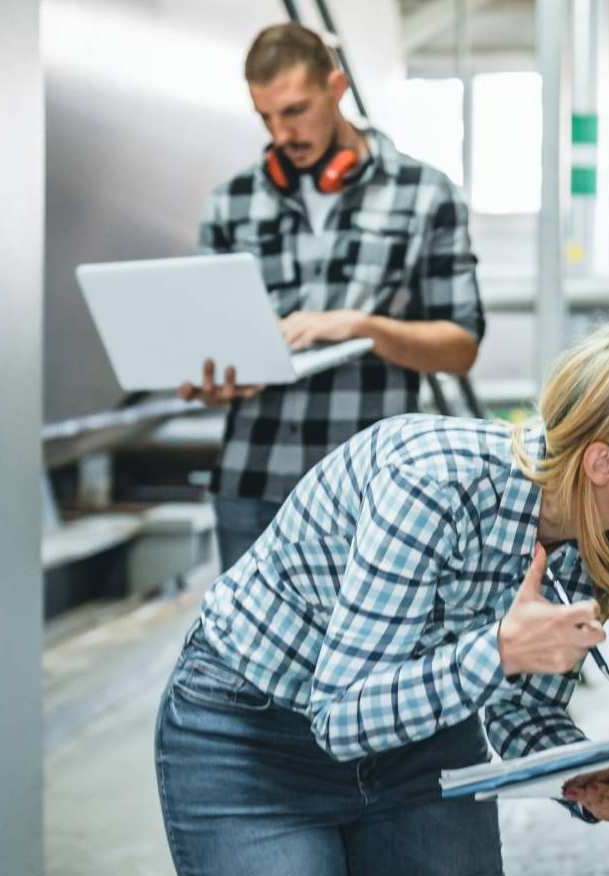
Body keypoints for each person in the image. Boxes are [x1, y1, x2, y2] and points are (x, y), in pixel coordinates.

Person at [155, 324, 609, 876]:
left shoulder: (594, 537)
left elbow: (522, 707)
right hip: (255, 739)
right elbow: (339, 718)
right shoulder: (433, 482)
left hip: (417, 739)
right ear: (603, 461)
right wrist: (499, 651)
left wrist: (579, 773)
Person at [178, 23, 484, 571]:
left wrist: (361, 326)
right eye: (265, 118)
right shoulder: (233, 202)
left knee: (369, 659)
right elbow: (210, 348)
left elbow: (459, 347)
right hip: (252, 488)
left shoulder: (424, 195)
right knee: (249, 661)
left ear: (336, 87)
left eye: (294, 111)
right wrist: (212, 382)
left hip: (370, 494)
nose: (281, 133)